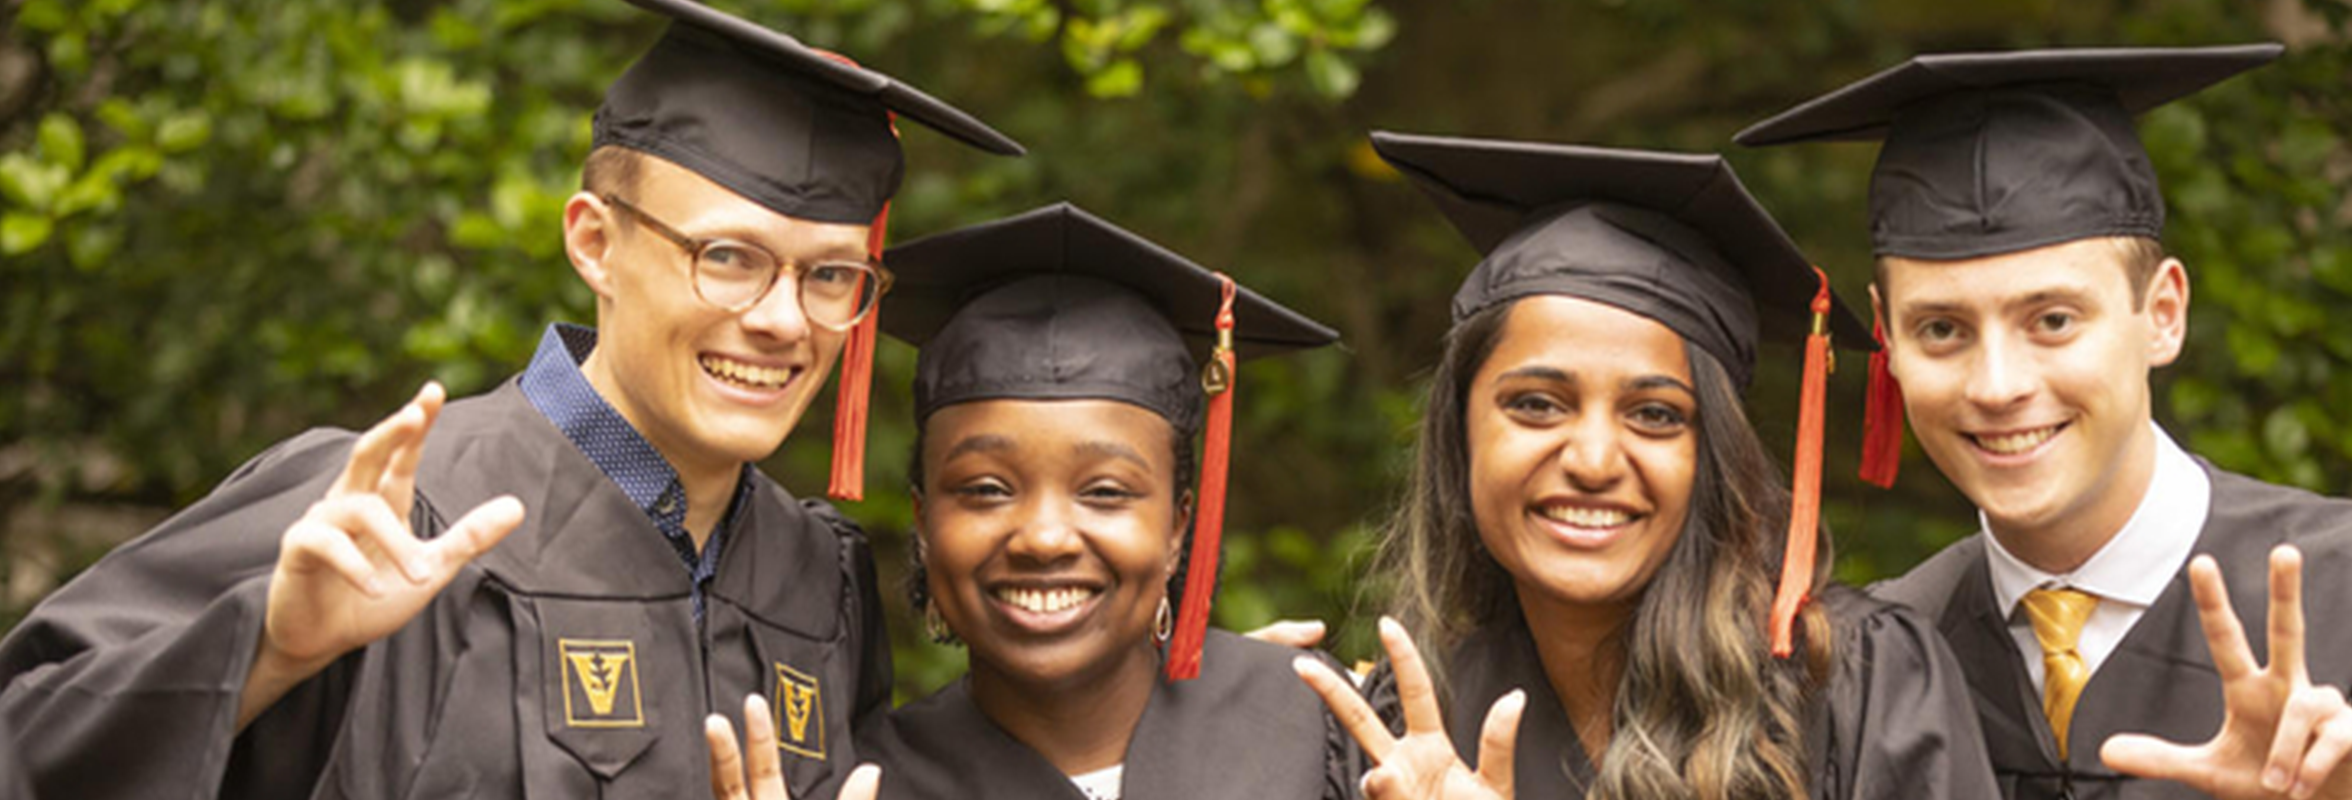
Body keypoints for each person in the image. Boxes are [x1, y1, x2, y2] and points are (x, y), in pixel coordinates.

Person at [0, 0, 1021, 797]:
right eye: (727, 256)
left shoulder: (819, 586)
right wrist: (267, 648)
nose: (781, 319)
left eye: (828, 276)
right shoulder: (382, 510)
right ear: (594, 242)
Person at [1736, 45, 2352, 799]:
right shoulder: (1865, 665)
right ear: (1887, 342)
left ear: (2162, 313)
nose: (1998, 383)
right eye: (1942, 329)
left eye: (2051, 319)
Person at [1296, 131, 1998, 800]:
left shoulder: (1856, 686)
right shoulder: (1411, 728)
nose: (1594, 460)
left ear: (1713, 456)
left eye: (1656, 415)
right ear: (1460, 436)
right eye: (1537, 405)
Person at [850, 203, 1359, 798]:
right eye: (986, 490)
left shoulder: (1315, 728)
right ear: (924, 523)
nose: (1043, 538)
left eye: (1105, 492)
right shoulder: (867, 783)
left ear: (1177, 528)